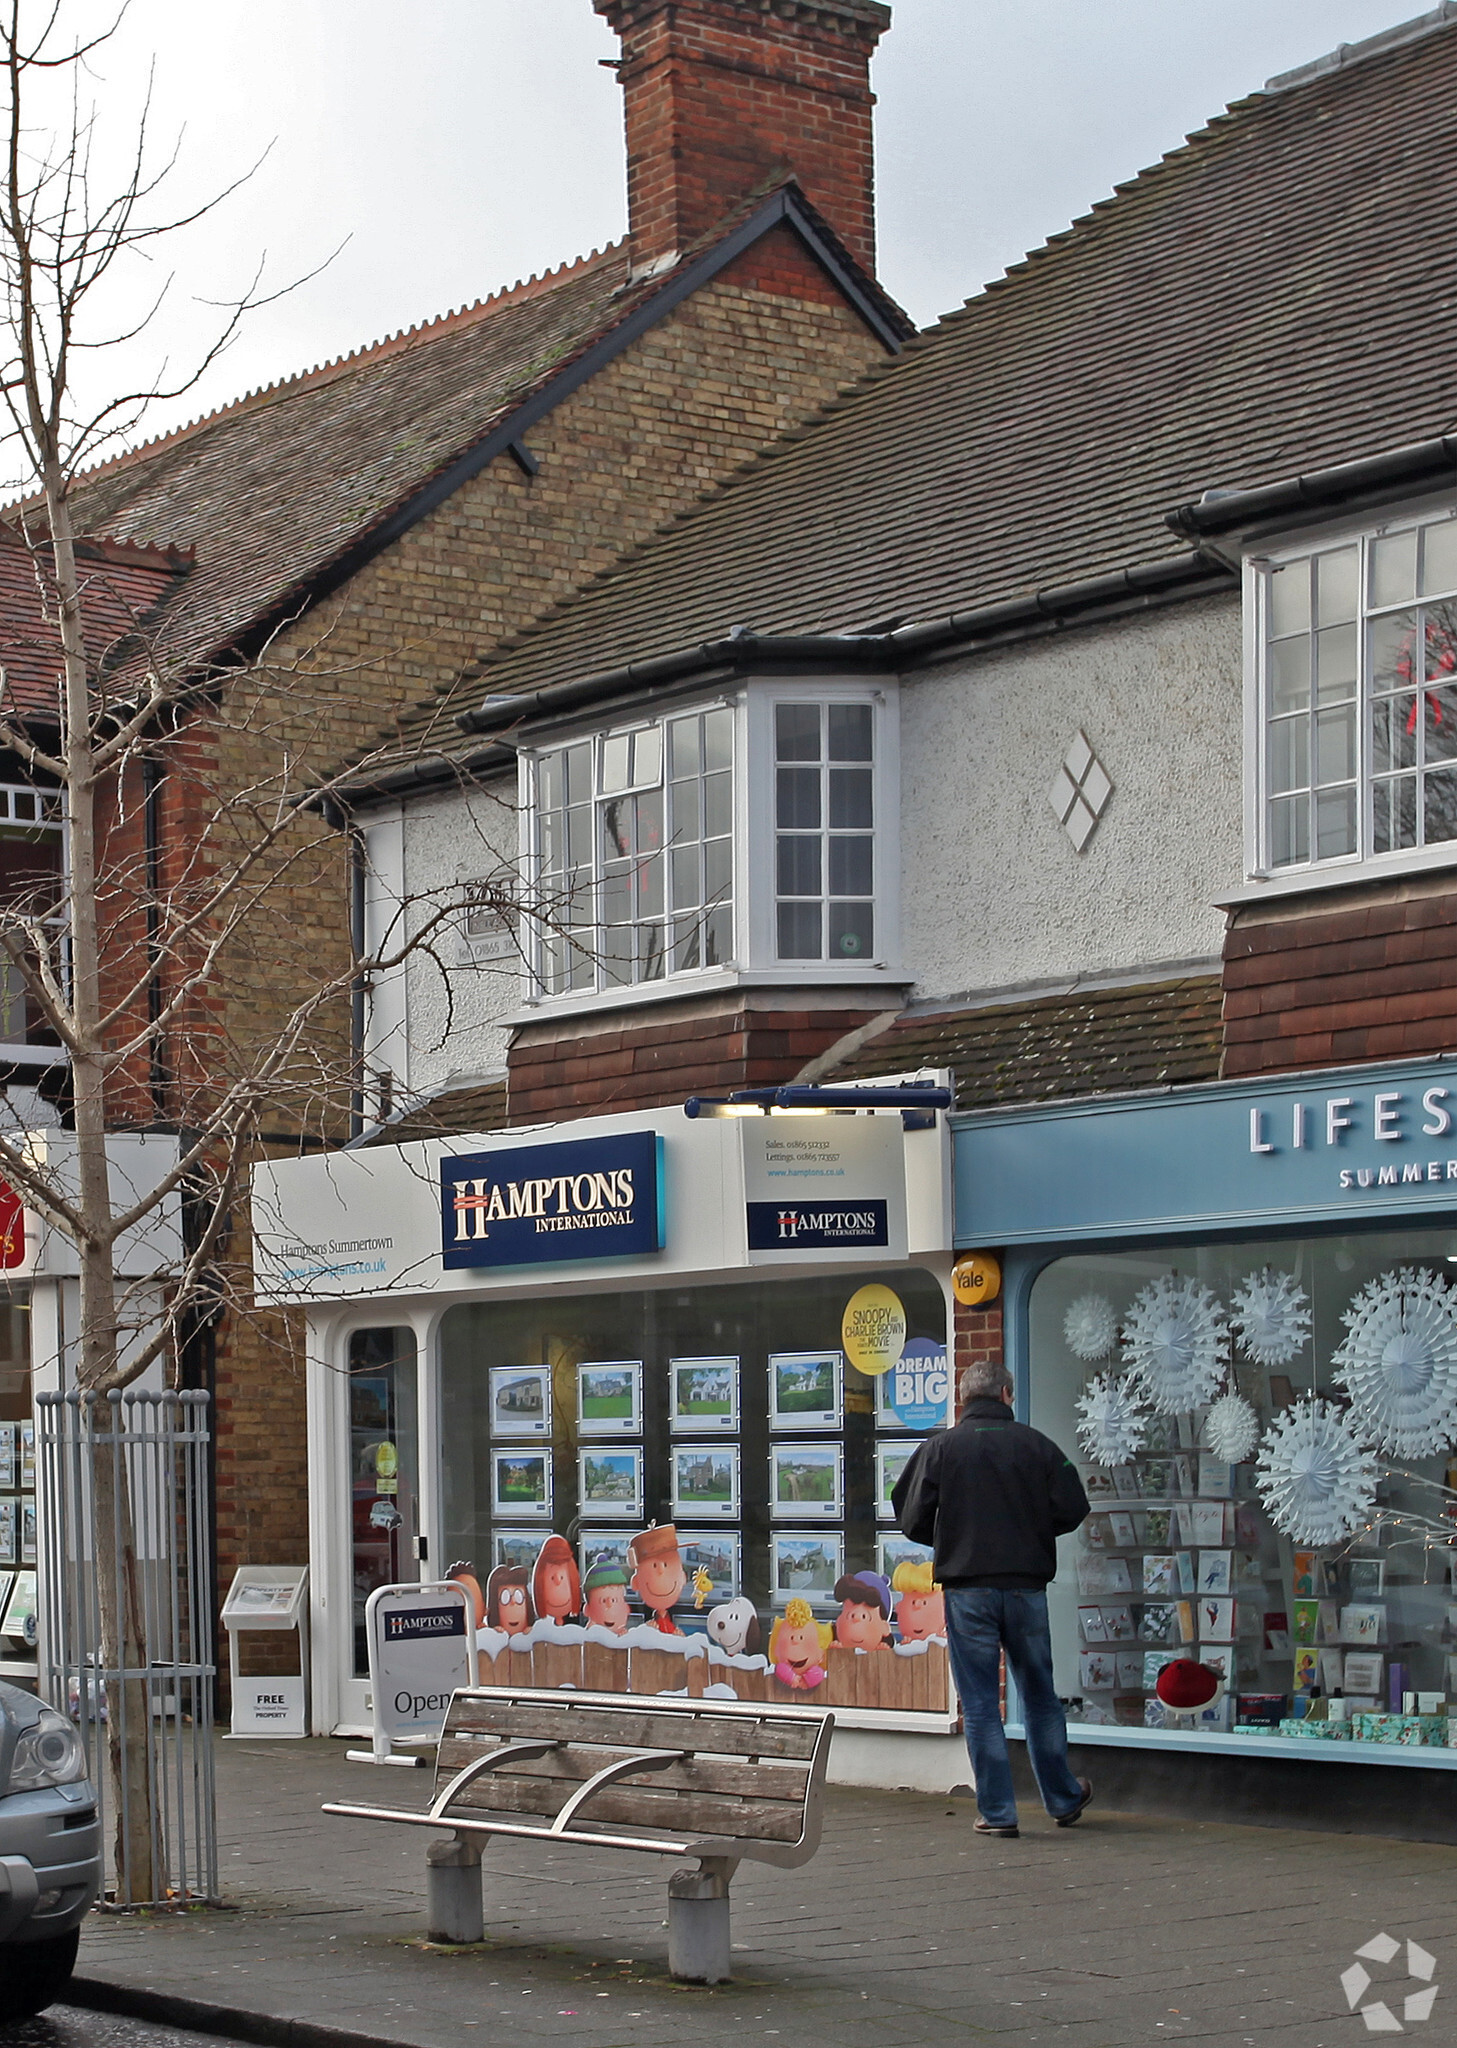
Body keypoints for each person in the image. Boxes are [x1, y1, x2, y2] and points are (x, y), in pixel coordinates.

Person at [891, 1360, 1092, 1839]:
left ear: (963, 1399)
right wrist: (1033, 1532)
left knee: (980, 1703)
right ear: (1006, 1395)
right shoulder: (1037, 1446)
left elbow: (910, 1511)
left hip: (967, 1588)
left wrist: (949, 1540)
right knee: (1040, 1695)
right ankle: (1063, 1798)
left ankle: (998, 1812)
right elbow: (1073, 1506)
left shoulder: (940, 1449)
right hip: (1025, 1586)